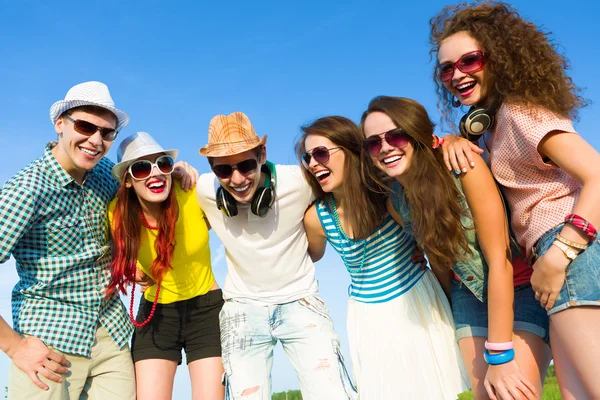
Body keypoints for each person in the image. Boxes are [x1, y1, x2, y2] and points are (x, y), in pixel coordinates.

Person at [430, 2, 600, 398]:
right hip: (552, 259)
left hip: (566, 252)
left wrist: (559, 255)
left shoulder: (520, 111)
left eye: (470, 60)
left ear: (499, 59)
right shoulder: (490, 128)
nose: (457, 74)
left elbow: (597, 173)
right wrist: (456, 139)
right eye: (446, 68)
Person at [0, 81, 197, 399]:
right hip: (50, 340)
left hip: (112, 335)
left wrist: (176, 174)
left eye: (106, 133)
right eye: (85, 126)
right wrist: (14, 347)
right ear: (60, 124)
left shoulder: (107, 173)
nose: (95, 141)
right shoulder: (26, 189)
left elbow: (144, 195)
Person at [361, 96, 552, 400]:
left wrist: (500, 355)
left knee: (513, 393)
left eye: (396, 135)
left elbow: (499, 261)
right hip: (468, 296)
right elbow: (441, 264)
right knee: (486, 395)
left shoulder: (464, 167)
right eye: (373, 143)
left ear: (418, 135)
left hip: (518, 287)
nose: (385, 148)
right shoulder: (396, 202)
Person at [295, 115, 469, 399]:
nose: (313, 164)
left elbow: (435, 247)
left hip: (417, 300)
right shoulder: (317, 218)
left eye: (321, 153)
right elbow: (302, 260)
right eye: (307, 157)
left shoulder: (388, 195)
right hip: (369, 317)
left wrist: (452, 140)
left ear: (352, 152)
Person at [196, 112, 357, 400]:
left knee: (331, 393)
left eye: (245, 165)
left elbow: (357, 180)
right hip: (242, 308)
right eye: (224, 171)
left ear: (262, 155)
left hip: (301, 300)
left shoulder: (300, 182)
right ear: (212, 169)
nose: (236, 179)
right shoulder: (203, 191)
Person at [106, 132, 224, 399]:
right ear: (126, 180)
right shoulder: (116, 213)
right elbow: (110, 255)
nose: (155, 173)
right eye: (141, 167)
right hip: (156, 313)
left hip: (206, 309)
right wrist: (130, 267)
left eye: (163, 164)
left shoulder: (192, 193)